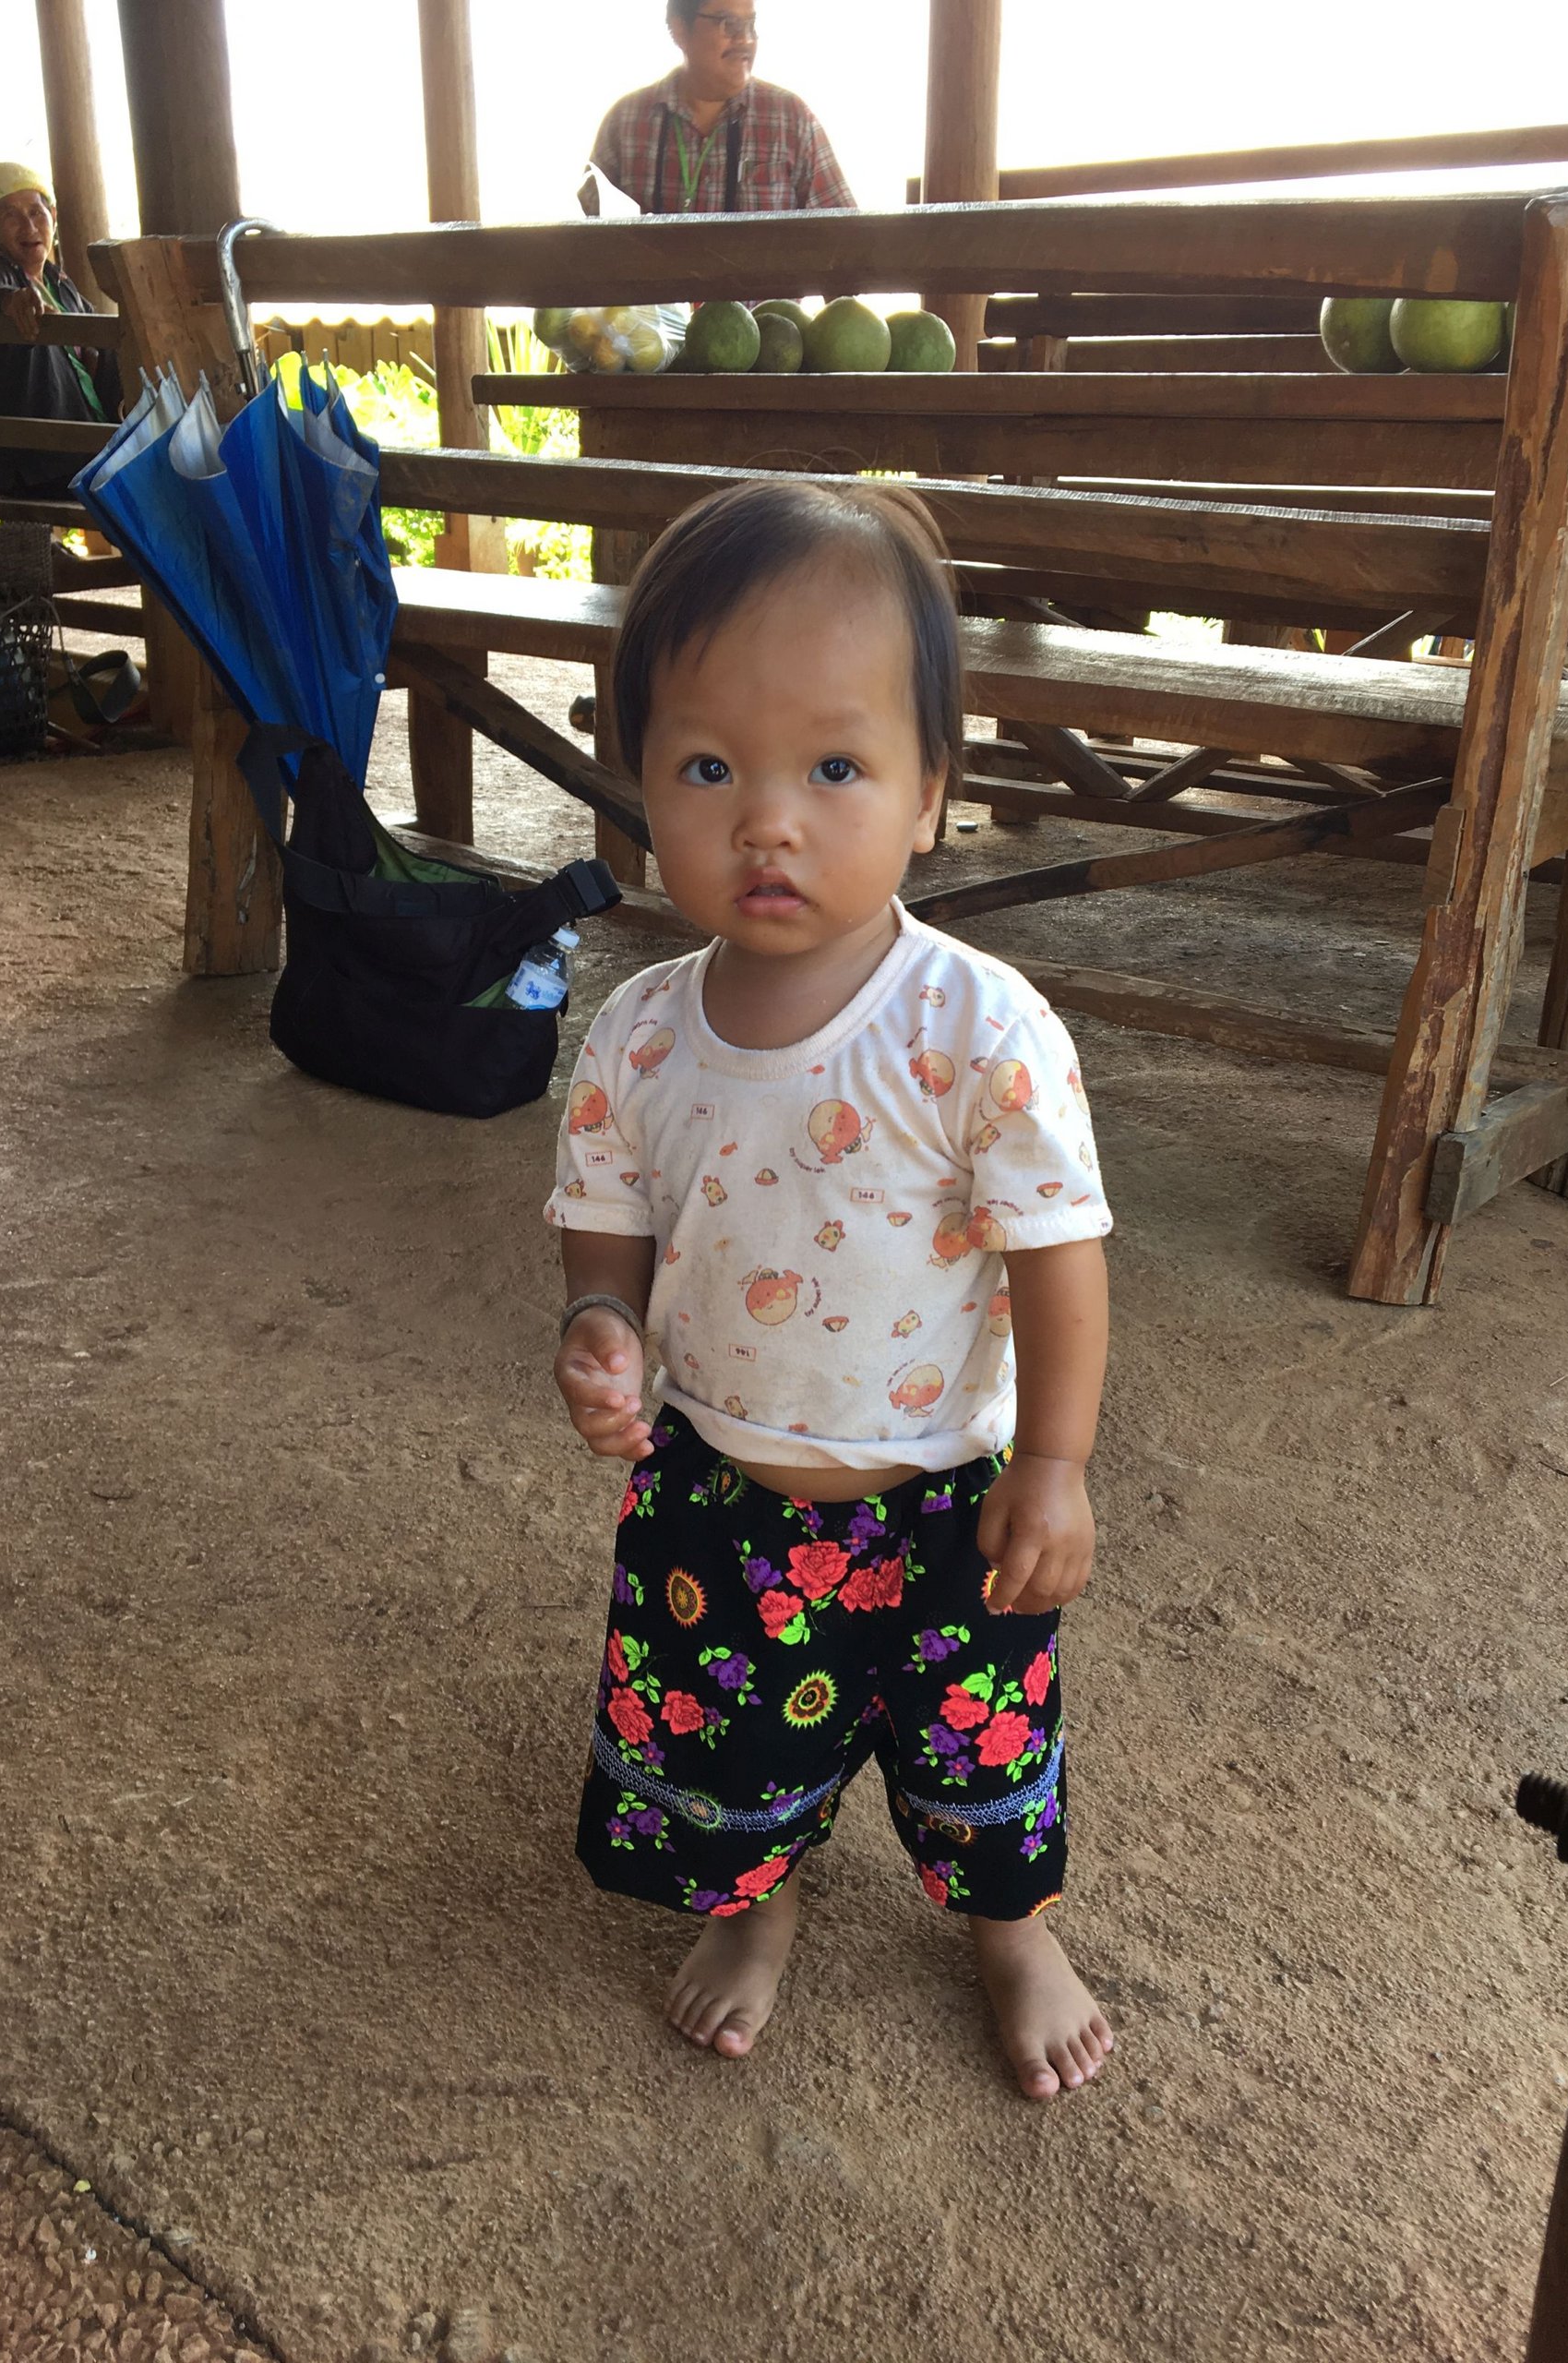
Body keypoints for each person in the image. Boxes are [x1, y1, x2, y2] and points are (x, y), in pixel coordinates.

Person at [549, 478, 1116, 2103]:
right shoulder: (640, 1034)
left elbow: (1057, 1255)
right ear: (641, 777)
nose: (767, 821)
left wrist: (1057, 1462)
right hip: (719, 1483)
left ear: (932, 791)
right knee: (725, 1743)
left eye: (835, 769)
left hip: (949, 1498)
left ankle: (1010, 1929)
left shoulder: (978, 1028)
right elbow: (609, 1221)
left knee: (982, 1745)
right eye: (707, 767)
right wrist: (599, 1322)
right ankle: (759, 1901)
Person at [0, 160, 121, 498]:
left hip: (85, 451)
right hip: (38, 465)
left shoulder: (59, 283)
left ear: (53, 216)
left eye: (36, 212)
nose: (28, 226)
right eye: (11, 216)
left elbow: (101, 346)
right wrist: (10, 301)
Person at [592, 5, 853, 215]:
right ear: (679, 30)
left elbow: (845, 239)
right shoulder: (626, 122)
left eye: (751, 25)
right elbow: (586, 240)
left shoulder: (791, 120)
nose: (746, 40)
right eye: (729, 24)